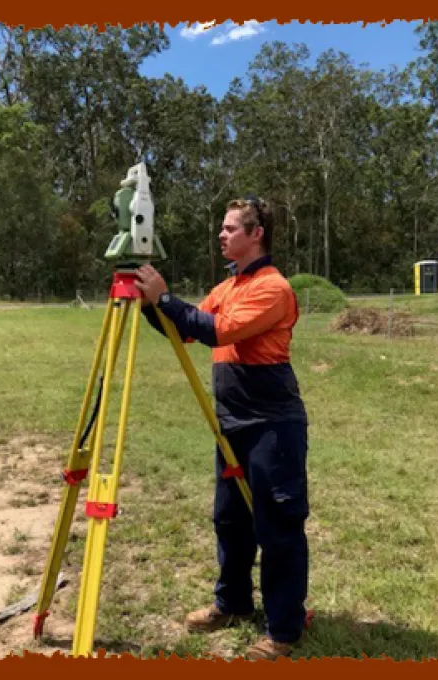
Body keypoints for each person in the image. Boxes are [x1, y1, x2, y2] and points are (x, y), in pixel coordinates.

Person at [133, 195, 311, 658]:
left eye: (231, 228)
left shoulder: (273, 288)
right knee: (230, 520)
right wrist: (150, 304)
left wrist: (166, 298)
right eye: (222, 228)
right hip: (231, 423)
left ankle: (284, 630)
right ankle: (231, 604)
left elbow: (219, 331)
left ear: (257, 235)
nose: (221, 234)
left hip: (271, 425)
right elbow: (188, 329)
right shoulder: (228, 286)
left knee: (278, 526)